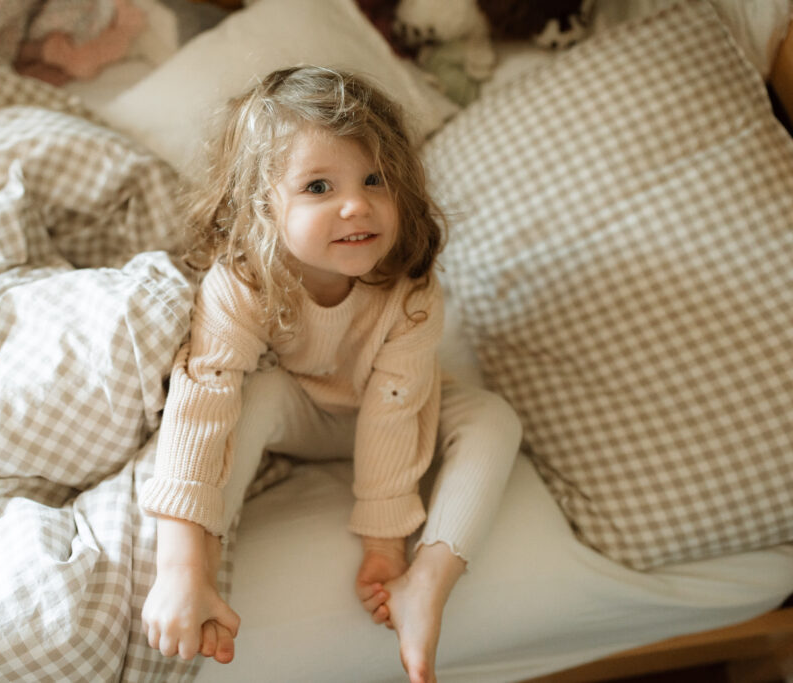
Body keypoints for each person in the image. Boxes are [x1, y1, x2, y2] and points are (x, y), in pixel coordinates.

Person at [138, 65, 522, 683]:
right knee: (249, 394)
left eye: (375, 179)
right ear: (264, 204)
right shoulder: (241, 282)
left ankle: (429, 583)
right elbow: (202, 398)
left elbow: (396, 409)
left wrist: (383, 546)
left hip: (400, 407)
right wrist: (180, 561)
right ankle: (195, 571)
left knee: (495, 418)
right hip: (304, 410)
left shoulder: (410, 287)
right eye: (318, 186)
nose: (356, 204)